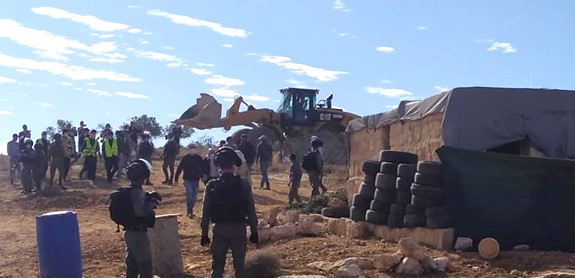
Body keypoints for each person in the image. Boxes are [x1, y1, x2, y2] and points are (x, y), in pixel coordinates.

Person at [200, 147, 258, 278]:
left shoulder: (211, 185)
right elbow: (251, 210)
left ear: (218, 166)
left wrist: (204, 234)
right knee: (239, 267)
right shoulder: (243, 185)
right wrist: (254, 231)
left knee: (217, 267)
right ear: (234, 166)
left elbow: (205, 212)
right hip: (239, 229)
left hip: (219, 230)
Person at [114, 158, 160, 278]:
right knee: (145, 265)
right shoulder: (137, 192)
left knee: (132, 265)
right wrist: (151, 204)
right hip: (138, 233)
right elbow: (140, 212)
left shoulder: (128, 190)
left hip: (129, 232)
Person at [175, 144, 204, 218]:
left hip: (196, 180)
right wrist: (176, 178)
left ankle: (190, 209)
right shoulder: (185, 158)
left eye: (194, 148)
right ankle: (189, 211)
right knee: (189, 195)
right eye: (191, 148)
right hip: (187, 180)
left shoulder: (199, 158)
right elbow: (179, 168)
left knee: (194, 197)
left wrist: (202, 176)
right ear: (188, 149)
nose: (193, 150)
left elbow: (202, 168)